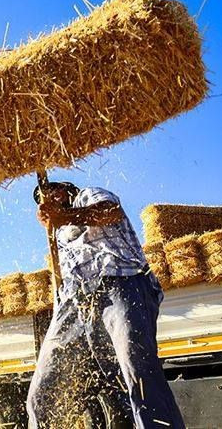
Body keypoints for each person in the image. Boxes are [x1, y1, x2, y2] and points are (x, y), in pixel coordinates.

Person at [26, 181, 185, 429]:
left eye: (52, 192)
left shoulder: (88, 196)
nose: (48, 199)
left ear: (67, 190)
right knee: (43, 391)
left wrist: (64, 216)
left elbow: (111, 212)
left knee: (136, 370)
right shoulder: (57, 232)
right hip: (76, 301)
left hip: (120, 284)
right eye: (42, 200)